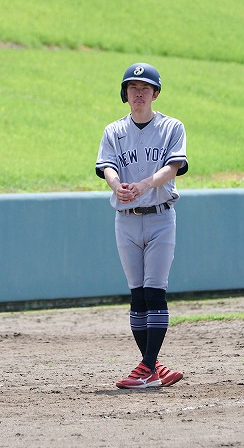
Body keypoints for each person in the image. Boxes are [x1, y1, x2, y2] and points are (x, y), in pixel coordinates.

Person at [95, 63, 188, 389]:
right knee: (137, 294)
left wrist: (145, 183)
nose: (138, 93)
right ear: (125, 93)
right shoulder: (113, 131)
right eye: (133, 87)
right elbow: (107, 167)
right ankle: (153, 367)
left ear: (155, 93)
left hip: (161, 216)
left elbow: (173, 167)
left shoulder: (172, 127)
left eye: (145, 88)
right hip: (126, 219)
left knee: (154, 290)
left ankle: (146, 368)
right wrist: (116, 185)